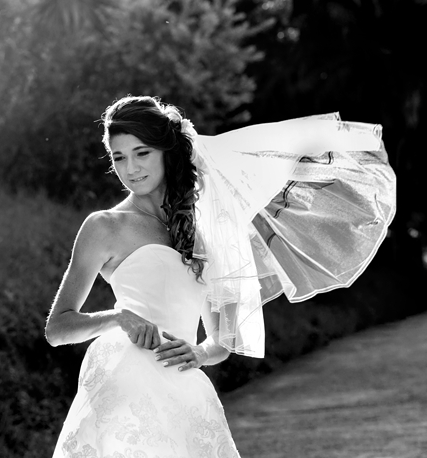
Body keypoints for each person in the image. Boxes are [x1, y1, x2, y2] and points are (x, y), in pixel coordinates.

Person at [45, 96, 396, 458]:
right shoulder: (104, 227)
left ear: (167, 152)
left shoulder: (204, 229)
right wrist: (118, 317)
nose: (130, 168)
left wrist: (198, 352)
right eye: (119, 157)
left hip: (183, 392)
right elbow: (57, 328)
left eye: (142, 153)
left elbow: (220, 341)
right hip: (127, 384)